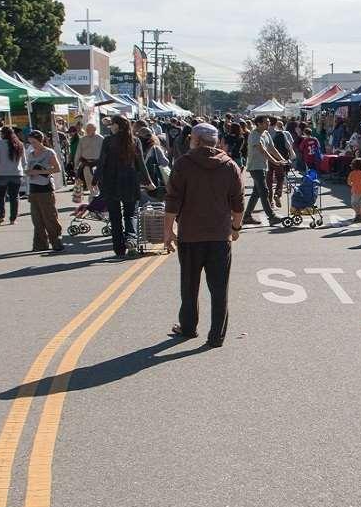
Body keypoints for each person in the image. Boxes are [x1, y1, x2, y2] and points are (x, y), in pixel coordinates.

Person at [164, 123, 244, 348]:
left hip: (190, 235)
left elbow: (172, 201)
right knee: (219, 288)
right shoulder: (230, 165)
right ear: (216, 141)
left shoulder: (183, 164)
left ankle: (188, 327)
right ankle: (216, 336)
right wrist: (235, 228)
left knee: (189, 285)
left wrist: (168, 231)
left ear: (195, 140)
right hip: (220, 236)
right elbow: (238, 202)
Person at [95, 116, 154, 257]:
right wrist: (148, 181)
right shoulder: (134, 140)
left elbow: (102, 161)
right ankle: (131, 239)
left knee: (115, 217)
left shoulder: (108, 141)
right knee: (130, 214)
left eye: (112, 124)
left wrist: (95, 180)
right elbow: (140, 164)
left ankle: (119, 248)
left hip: (111, 183)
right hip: (130, 182)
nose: (110, 127)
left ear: (117, 126)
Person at [24, 130, 64, 252]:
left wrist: (40, 172)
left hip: (45, 188)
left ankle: (56, 241)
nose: (32, 145)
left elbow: (57, 169)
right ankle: (40, 244)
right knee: (36, 219)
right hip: (33, 188)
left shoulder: (48, 152)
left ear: (40, 140)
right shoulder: (30, 154)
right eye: (30, 142)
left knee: (49, 217)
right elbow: (28, 168)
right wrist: (29, 172)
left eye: (34, 142)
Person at [241, 116, 282, 226]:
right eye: (266, 123)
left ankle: (247, 216)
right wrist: (274, 161)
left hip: (263, 166)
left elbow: (272, 148)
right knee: (264, 191)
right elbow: (262, 150)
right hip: (255, 166)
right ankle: (271, 216)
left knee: (256, 193)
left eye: (268, 122)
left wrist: (281, 159)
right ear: (258, 124)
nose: (268, 124)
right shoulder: (254, 134)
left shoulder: (266, 133)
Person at [0, 126, 26, 226]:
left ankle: (2, 216)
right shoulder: (19, 144)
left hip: (2, 173)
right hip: (16, 173)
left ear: (3, 134)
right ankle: (13, 219)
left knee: (1, 197)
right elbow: (24, 161)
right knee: (14, 197)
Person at [268, 120, 295, 208]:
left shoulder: (264, 133)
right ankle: (277, 194)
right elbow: (288, 146)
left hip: (267, 159)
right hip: (280, 159)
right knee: (280, 177)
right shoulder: (281, 134)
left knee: (269, 180)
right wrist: (290, 156)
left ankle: (270, 200)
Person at [73, 121, 103, 199]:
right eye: (87, 129)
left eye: (90, 129)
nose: (88, 130)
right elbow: (78, 153)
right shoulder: (82, 139)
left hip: (97, 164)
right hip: (86, 164)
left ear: (94, 129)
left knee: (97, 182)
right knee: (89, 182)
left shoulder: (101, 139)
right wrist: (75, 165)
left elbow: (105, 152)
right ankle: (93, 196)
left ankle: (98, 197)